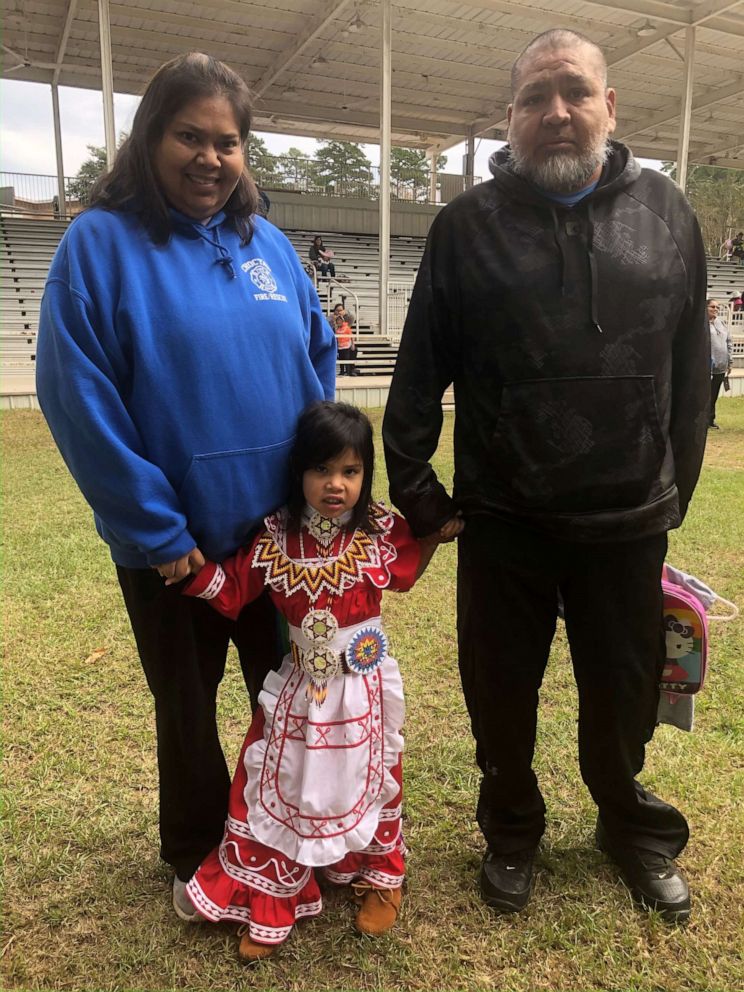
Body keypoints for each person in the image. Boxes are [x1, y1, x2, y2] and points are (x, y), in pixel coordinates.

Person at [383, 28, 709, 925]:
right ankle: (513, 831)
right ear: (511, 119)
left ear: (610, 106)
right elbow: (417, 377)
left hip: (628, 519)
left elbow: (692, 368)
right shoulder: (465, 229)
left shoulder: (670, 214)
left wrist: (674, 485)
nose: (555, 112)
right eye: (535, 97)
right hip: (505, 522)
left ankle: (626, 824)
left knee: (625, 693)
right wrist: (421, 497)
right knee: (501, 696)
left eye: (573, 91)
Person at [35, 52, 336, 922]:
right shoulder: (99, 244)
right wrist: (157, 531)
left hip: (279, 542)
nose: (210, 158)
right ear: (150, 139)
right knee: (189, 710)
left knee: (291, 698)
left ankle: (287, 835)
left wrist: (319, 506)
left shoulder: (267, 244)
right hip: (179, 550)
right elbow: (77, 398)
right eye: (189, 137)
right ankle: (201, 854)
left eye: (228, 142)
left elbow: (317, 365)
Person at [170, 402, 462, 960]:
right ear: (297, 472)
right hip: (301, 689)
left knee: (374, 778)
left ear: (365, 475)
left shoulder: (379, 530)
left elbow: (403, 574)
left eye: (351, 472)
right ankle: (270, 898)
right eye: (321, 470)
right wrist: (191, 570)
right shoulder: (275, 537)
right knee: (279, 782)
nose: (336, 485)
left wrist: (433, 534)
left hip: (366, 689)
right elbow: (233, 591)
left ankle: (382, 877)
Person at [707, 299, 733, 430]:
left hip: (721, 366)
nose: (716, 309)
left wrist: (730, 361)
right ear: (705, 308)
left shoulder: (721, 323)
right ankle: (701, 421)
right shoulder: (702, 324)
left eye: (717, 307)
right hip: (707, 367)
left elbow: (729, 341)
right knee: (705, 395)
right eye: (712, 307)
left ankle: (710, 419)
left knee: (714, 395)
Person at [332, 302, 357, 375]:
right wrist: (334, 320)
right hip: (338, 344)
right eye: (337, 310)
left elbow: (353, 316)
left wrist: (346, 312)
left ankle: (350, 370)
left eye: (341, 310)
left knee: (353, 351)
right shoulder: (332, 318)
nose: (339, 312)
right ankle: (342, 371)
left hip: (346, 344)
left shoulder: (347, 321)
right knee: (341, 358)